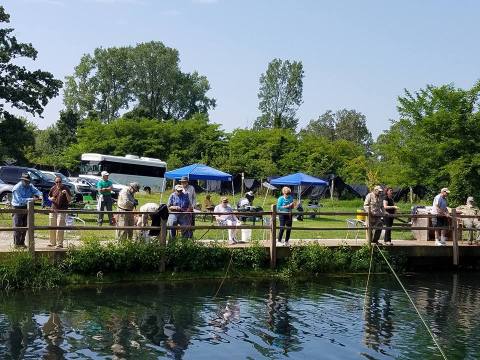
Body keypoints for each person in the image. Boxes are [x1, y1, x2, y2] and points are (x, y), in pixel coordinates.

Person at [11, 173, 42, 248]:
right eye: (26, 181)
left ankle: (22, 243)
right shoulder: (17, 188)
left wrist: (40, 195)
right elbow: (20, 200)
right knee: (18, 226)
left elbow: (37, 191)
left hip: (27, 207)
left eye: (28, 181)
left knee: (26, 225)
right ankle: (16, 244)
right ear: (22, 180)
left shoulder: (30, 185)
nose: (28, 182)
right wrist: (33, 199)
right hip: (17, 207)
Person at [47, 175, 72, 248]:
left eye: (59, 182)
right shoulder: (53, 188)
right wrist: (51, 199)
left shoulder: (66, 188)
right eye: (56, 182)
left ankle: (59, 243)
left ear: (62, 182)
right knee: (52, 226)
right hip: (53, 209)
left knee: (59, 227)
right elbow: (49, 197)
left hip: (62, 210)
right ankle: (52, 242)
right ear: (55, 182)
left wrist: (66, 193)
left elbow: (70, 200)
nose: (58, 183)